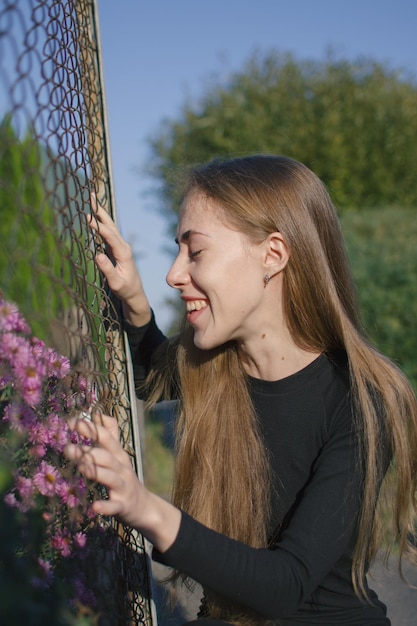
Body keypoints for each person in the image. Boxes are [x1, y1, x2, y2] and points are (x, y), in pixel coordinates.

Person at [65, 155, 417, 626]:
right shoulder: (215, 369)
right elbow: (152, 377)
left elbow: (284, 585)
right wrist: (133, 302)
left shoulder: (363, 400)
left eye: (196, 252)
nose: (173, 274)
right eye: (177, 250)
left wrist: (143, 506)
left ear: (273, 255)